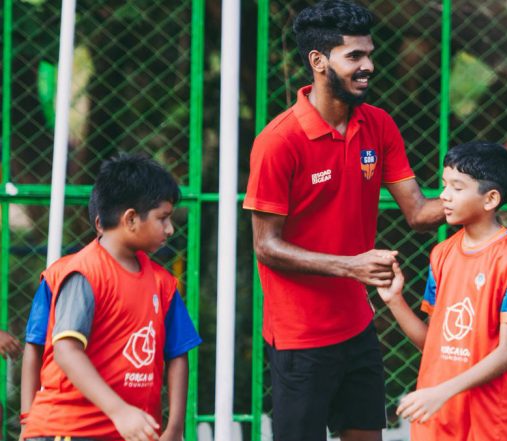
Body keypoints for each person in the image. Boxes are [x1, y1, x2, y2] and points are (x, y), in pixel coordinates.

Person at [243, 1, 443, 439]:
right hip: (300, 336)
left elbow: (418, 212)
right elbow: (266, 246)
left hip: (357, 325)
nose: (368, 65)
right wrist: (350, 266)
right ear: (318, 61)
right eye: (354, 56)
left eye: (369, 54)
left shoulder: (379, 125)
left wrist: (477, 195)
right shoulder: (278, 142)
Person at [23, 154, 202, 441]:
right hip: (69, 431)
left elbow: (178, 353)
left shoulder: (164, 283)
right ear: (131, 218)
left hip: (127, 434)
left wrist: (175, 428)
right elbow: (66, 351)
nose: (169, 229)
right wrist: (120, 411)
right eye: (163, 218)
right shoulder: (84, 272)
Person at [377, 141, 507, 441]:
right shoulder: (441, 254)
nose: (444, 196)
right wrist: (395, 301)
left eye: (457, 187)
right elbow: (434, 343)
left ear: (490, 199)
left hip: (488, 419)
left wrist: (441, 392)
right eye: (444, 184)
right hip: (436, 416)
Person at [20, 201, 103, 429]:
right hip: (66, 420)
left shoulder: (158, 282)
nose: (168, 228)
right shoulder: (58, 275)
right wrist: (28, 419)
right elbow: (34, 344)